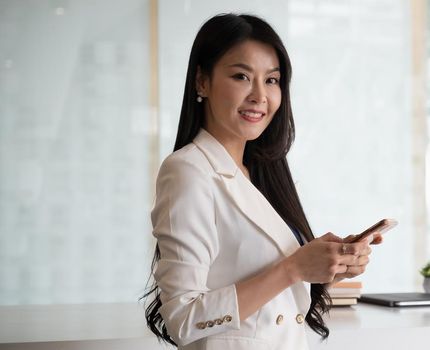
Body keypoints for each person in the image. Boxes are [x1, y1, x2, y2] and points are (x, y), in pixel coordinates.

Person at [142, 13, 382, 350]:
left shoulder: (262, 172)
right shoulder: (188, 171)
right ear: (202, 82)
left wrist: (325, 269)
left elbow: (265, 298)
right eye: (241, 76)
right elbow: (182, 319)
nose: (260, 95)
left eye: (272, 80)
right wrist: (294, 268)